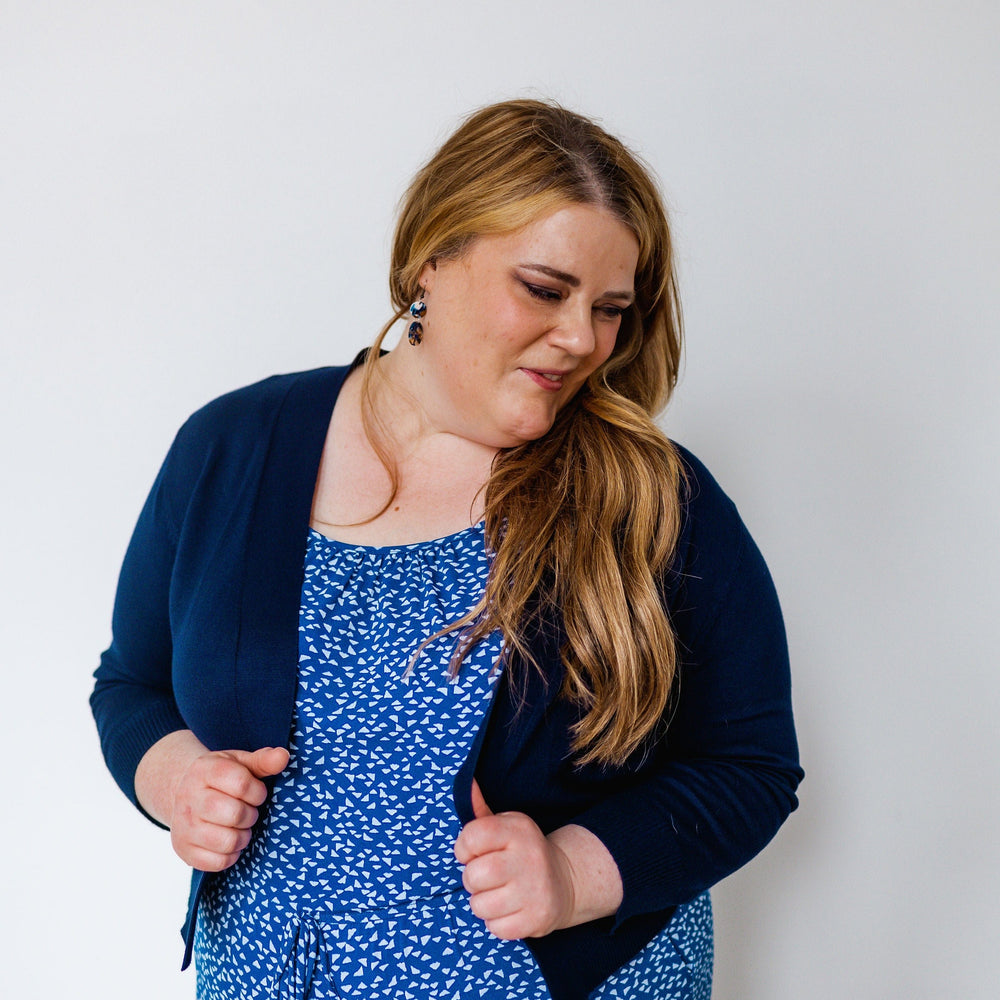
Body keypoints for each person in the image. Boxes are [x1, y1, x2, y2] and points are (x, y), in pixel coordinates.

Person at [91, 99, 802, 1000]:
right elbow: (131, 686)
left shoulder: (652, 495)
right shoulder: (233, 447)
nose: (583, 339)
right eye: (545, 289)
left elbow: (750, 766)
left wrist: (574, 873)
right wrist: (177, 777)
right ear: (433, 257)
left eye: (610, 309)